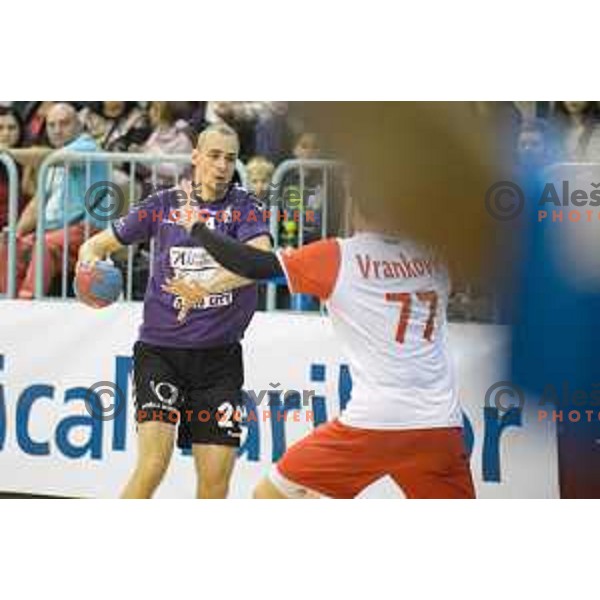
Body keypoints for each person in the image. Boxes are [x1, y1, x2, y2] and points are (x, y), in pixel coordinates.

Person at [166, 199, 476, 499]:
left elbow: (251, 264)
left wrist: (198, 228)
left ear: (353, 207)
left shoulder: (339, 257)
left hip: (374, 423)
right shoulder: (436, 255)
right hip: (440, 426)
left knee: (269, 496)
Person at [76, 123, 271, 499]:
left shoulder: (246, 207)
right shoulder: (163, 204)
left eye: (230, 159)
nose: (221, 166)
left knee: (214, 485)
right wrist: (88, 268)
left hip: (219, 361)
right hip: (160, 353)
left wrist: (205, 287)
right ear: (195, 157)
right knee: (152, 465)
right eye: (213, 156)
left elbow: (260, 262)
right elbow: (96, 245)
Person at [0, 102, 107, 298]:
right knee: (11, 244)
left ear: (78, 125)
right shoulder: (51, 160)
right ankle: (6, 302)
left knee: (45, 245)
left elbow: (51, 157)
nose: (57, 130)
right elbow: (36, 204)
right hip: (54, 231)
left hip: (86, 229)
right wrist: (16, 232)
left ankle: (27, 302)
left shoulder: (87, 147)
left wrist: (8, 152)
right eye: (51, 125)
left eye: (64, 123)